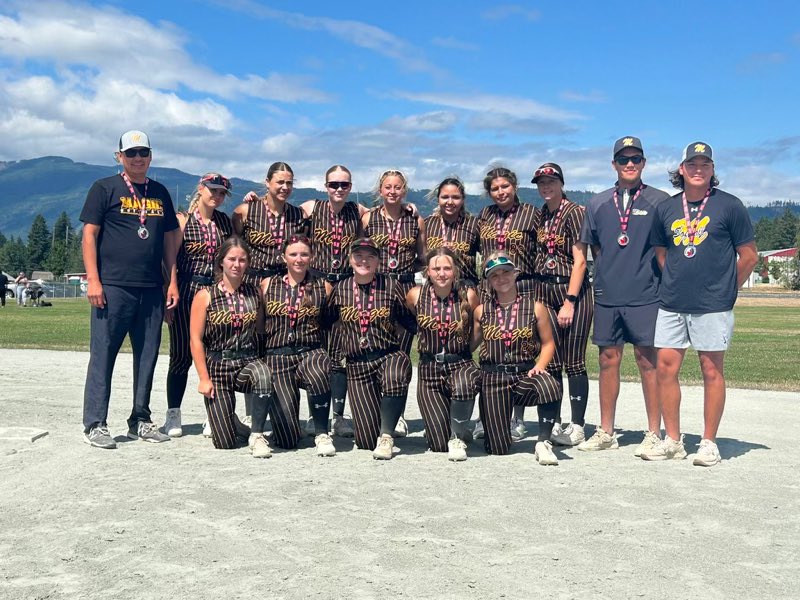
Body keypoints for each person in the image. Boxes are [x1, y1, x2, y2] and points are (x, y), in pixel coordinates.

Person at [642, 142, 757, 466]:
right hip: (673, 301)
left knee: (711, 370)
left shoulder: (730, 206)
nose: (698, 169)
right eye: (692, 164)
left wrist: (726, 288)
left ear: (712, 170)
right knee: (665, 368)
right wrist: (677, 279)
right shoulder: (665, 208)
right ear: (681, 169)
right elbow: (661, 253)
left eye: (705, 164)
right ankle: (674, 440)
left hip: (713, 305)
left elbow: (749, 256)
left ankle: (708, 442)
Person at [80, 130, 180, 449]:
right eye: (132, 152)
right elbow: (89, 235)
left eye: (144, 152)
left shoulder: (160, 192)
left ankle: (140, 419)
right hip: (113, 287)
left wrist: (172, 281)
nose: (138, 158)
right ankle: (96, 423)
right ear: (119, 156)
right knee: (103, 356)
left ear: (151, 156)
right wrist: (93, 280)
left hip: (151, 288)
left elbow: (169, 243)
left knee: (147, 356)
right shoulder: (104, 188)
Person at [577, 137, 669, 455]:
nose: (629, 164)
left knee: (648, 362)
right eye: (623, 159)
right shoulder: (598, 203)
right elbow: (595, 249)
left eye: (636, 159)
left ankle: (654, 432)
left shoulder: (661, 201)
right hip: (607, 295)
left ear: (644, 163)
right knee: (607, 361)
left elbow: (666, 252)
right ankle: (606, 431)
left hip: (647, 295)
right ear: (613, 164)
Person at [232, 161, 307, 423]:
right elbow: (235, 247)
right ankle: (253, 413)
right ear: (267, 183)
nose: (285, 187)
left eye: (289, 182)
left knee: (277, 344)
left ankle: (281, 412)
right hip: (252, 284)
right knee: (252, 345)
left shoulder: (298, 215)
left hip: (283, 286)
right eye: (280, 182)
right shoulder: (245, 211)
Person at [472, 252, 562, 464]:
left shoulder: (535, 307)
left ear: (516, 274)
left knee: (549, 385)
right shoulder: (481, 311)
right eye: (494, 275)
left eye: (506, 272)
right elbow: (470, 345)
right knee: (497, 448)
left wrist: (540, 365)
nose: (501, 278)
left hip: (524, 374)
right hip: (493, 378)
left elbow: (549, 343)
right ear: (488, 281)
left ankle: (543, 441)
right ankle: (494, 427)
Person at [189, 236, 275, 456]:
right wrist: (204, 378)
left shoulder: (254, 293)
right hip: (218, 365)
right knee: (225, 442)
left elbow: (261, 331)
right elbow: (196, 340)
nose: (237, 265)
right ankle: (232, 422)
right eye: (232, 259)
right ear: (221, 262)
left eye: (242, 260)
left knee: (264, 373)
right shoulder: (205, 295)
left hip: (247, 361)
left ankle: (257, 435)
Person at [328, 237, 412, 460]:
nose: (364, 260)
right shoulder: (340, 288)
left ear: (378, 261)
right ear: (350, 259)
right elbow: (328, 321)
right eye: (359, 256)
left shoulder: (391, 286)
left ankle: (387, 436)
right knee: (365, 440)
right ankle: (377, 428)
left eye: (370, 256)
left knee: (395, 374)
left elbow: (408, 322)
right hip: (358, 363)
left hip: (387, 355)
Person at [164, 173, 234, 438]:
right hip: (187, 288)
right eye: (213, 190)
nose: (216, 196)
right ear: (201, 189)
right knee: (181, 354)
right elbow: (169, 256)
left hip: (215, 292)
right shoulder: (184, 220)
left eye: (221, 193)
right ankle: (173, 413)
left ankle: (212, 412)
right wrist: (170, 288)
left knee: (215, 353)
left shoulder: (224, 222)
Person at [530, 162, 593, 448]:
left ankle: (577, 424)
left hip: (571, 290)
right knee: (551, 360)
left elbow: (580, 260)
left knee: (574, 361)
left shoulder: (574, 212)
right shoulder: (542, 214)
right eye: (541, 183)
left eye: (551, 182)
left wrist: (570, 301)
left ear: (561, 183)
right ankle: (554, 420)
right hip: (546, 288)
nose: (546, 187)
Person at [473, 167, 539, 440]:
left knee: (519, 349)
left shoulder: (531, 214)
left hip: (521, 285)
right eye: (495, 188)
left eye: (505, 186)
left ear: (514, 186)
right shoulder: (484, 215)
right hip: (490, 288)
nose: (501, 192)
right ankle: (486, 415)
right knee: (491, 349)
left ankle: (517, 419)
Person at [298, 165, 363, 438]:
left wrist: (411, 208)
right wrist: (252, 199)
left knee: (340, 353)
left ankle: (337, 415)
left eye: (344, 185)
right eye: (334, 184)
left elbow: (387, 216)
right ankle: (315, 415)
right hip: (317, 283)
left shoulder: (357, 212)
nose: (339, 189)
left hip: (345, 285)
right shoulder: (312, 207)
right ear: (325, 186)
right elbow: (281, 214)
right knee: (315, 349)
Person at [259, 234, 336, 457]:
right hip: (278, 355)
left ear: (311, 257)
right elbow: (261, 325)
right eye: (293, 254)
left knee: (320, 368)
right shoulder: (267, 285)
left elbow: (329, 323)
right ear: (284, 257)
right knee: (286, 441)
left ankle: (322, 432)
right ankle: (289, 426)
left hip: (310, 351)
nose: (299, 259)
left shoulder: (323, 286)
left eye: (304, 254)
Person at [362, 169, 426, 437]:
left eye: (397, 187)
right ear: (380, 190)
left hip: (404, 287)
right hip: (375, 288)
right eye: (387, 187)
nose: (392, 191)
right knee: (376, 347)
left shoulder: (415, 219)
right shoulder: (368, 217)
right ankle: (375, 408)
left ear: (404, 190)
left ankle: (397, 414)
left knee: (401, 353)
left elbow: (422, 256)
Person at [405, 248, 480, 461]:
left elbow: (478, 327)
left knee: (465, 383)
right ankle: (449, 427)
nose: (441, 273)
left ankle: (458, 434)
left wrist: (464, 350)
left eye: (447, 268)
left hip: (460, 363)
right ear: (427, 271)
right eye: (436, 268)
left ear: (455, 270)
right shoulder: (415, 295)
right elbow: (409, 319)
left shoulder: (469, 294)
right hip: (430, 368)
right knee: (438, 445)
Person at [424, 177, 481, 286]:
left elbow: (487, 253)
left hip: (466, 286)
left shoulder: (474, 224)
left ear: (463, 199)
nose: (450, 202)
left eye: (455, 197)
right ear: (438, 199)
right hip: (435, 286)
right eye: (445, 197)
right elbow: (419, 258)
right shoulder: (427, 224)